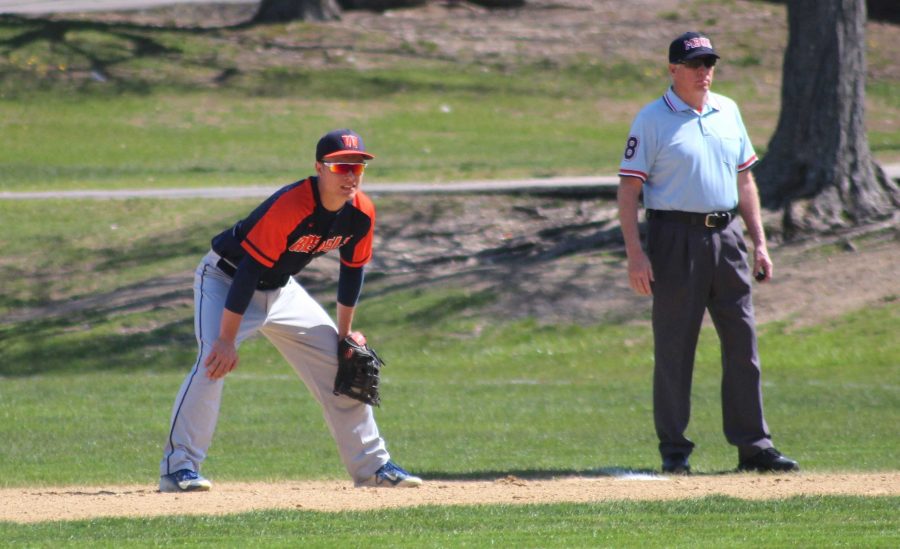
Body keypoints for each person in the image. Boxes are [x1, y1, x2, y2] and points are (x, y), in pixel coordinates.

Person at [159, 129, 422, 492]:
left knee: (343, 365)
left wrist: (345, 335)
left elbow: (352, 272)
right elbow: (249, 271)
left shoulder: (361, 212)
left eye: (358, 166)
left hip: (282, 290)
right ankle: (178, 470)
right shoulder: (292, 205)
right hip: (227, 279)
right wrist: (226, 339)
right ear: (319, 168)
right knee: (212, 364)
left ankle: (373, 469)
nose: (350, 174)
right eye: (341, 166)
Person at [616, 32, 799, 474]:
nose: (704, 72)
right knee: (676, 347)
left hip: (728, 236)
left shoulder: (728, 111)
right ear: (673, 69)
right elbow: (629, 190)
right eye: (695, 64)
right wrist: (636, 255)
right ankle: (675, 450)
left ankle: (754, 445)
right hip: (674, 239)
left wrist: (759, 241)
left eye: (709, 63)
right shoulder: (653, 119)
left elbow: (745, 182)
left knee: (743, 343)